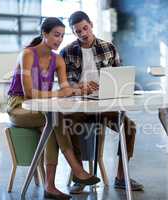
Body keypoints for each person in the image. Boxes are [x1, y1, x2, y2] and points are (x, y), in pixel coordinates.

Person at [6, 17, 100, 200]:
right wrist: (61, 93)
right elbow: (29, 93)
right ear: (44, 34)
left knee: (52, 124)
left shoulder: (57, 60)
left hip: (42, 107)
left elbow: (65, 88)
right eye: (56, 35)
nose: (59, 40)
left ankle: (50, 186)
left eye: (62, 36)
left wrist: (78, 88)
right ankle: (76, 169)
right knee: (55, 120)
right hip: (19, 106)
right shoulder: (27, 54)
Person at [60, 11, 144, 193]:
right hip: (79, 104)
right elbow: (64, 82)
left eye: (85, 28)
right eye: (77, 31)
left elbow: (120, 74)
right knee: (68, 125)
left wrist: (112, 87)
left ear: (91, 24)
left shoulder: (108, 47)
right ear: (73, 33)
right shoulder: (67, 51)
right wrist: (80, 86)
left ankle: (121, 177)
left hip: (104, 104)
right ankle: (80, 177)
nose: (83, 33)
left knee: (129, 127)